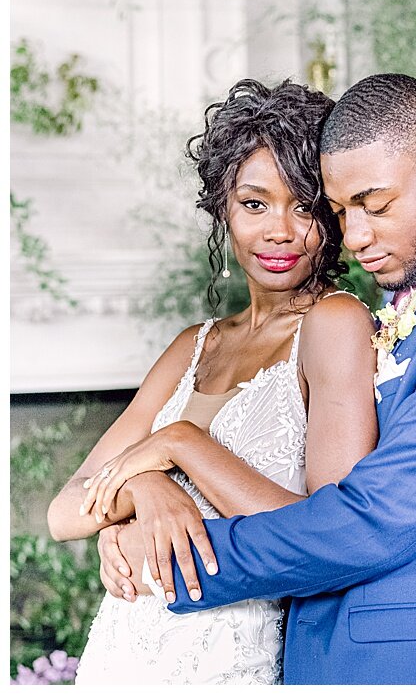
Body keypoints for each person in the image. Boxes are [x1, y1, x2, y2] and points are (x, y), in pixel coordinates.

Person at [99, 73, 416, 685]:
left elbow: (370, 520)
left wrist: (171, 552)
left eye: (375, 207)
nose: (353, 238)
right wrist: (143, 502)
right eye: (340, 211)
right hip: (328, 653)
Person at [48, 79, 378, 684]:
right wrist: (145, 490)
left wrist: (180, 444)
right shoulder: (193, 345)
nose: (278, 230)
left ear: (331, 214)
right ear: (223, 208)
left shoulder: (335, 324)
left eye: (303, 205)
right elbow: (66, 510)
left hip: (225, 661)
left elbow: (328, 538)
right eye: (254, 204)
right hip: (123, 653)